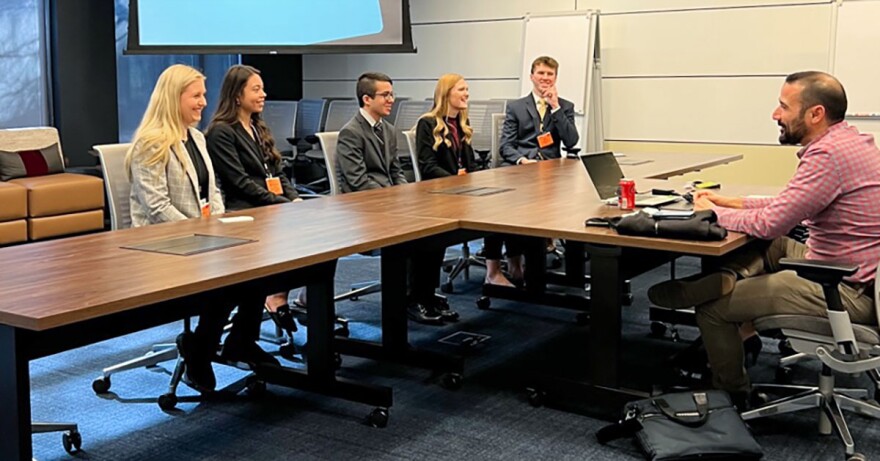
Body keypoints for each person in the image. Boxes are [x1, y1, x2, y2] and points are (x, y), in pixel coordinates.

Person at [647, 71, 880, 406]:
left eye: (784, 106)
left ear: (816, 114)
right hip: (847, 268)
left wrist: (709, 214)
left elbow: (772, 222)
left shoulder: (828, 156)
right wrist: (735, 202)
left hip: (844, 288)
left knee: (712, 311)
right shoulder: (850, 142)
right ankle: (725, 279)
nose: (775, 114)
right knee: (771, 246)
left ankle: (733, 398)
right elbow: (793, 203)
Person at [126, 64, 278, 394]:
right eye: (195, 96)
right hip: (162, 245)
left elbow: (214, 194)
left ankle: (237, 340)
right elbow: (156, 207)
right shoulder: (150, 144)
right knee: (230, 275)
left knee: (256, 263)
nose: (203, 103)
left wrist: (219, 228)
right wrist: (205, 237)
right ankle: (202, 349)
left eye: (204, 95)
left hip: (201, 237)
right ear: (172, 98)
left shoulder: (196, 136)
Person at [337, 72, 456, 324]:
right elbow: (358, 183)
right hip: (363, 209)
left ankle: (425, 293)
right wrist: (395, 200)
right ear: (366, 99)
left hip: (390, 202)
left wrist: (407, 194)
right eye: (385, 95)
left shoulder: (389, 131)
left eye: (392, 93)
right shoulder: (351, 133)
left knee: (436, 228)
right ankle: (411, 299)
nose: (391, 99)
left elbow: (395, 172)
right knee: (415, 233)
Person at [205, 64, 302, 334]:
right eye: (256, 89)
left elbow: (278, 173)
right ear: (237, 95)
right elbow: (241, 184)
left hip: (270, 207)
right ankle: (274, 298)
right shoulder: (221, 132)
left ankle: (278, 296)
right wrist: (283, 206)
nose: (264, 94)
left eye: (262, 88)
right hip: (244, 212)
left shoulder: (258, 127)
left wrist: (294, 200)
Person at [414, 73, 521, 287]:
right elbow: (428, 167)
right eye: (461, 89)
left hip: (464, 191)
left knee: (504, 209)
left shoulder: (462, 123)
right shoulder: (427, 123)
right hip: (441, 194)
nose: (467, 93)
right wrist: (458, 182)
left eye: (467, 89)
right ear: (447, 93)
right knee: (493, 213)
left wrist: (475, 182)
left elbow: (469, 163)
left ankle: (507, 267)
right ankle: (494, 271)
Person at [500, 56, 579, 165]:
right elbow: (506, 146)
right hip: (523, 165)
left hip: (551, 167)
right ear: (531, 77)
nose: (545, 77)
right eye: (541, 73)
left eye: (550, 74)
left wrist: (556, 107)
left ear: (555, 78)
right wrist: (522, 160)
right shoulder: (515, 107)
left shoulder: (565, 107)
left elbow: (571, 142)